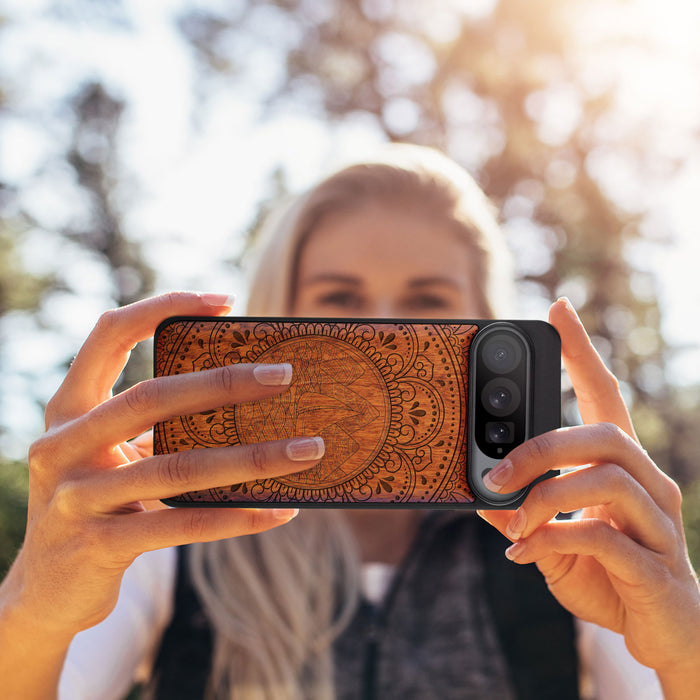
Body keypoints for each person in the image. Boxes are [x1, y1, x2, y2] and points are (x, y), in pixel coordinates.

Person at [0, 145, 698, 700]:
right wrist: (34, 608)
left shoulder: (567, 544)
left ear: (486, 323)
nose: (385, 331)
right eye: (340, 299)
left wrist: (685, 648)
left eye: (427, 302)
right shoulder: (171, 536)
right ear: (279, 316)